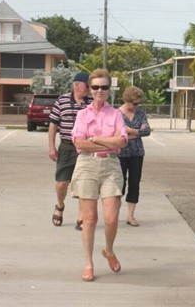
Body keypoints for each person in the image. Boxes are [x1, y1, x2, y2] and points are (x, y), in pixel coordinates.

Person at [71, 68, 128, 282]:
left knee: (112, 218)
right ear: (89, 88)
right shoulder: (82, 115)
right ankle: (88, 262)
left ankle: (109, 250)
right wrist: (107, 140)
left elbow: (122, 141)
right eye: (95, 87)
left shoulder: (116, 115)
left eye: (104, 87)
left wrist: (95, 139)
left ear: (109, 89)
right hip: (87, 165)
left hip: (111, 166)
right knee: (90, 219)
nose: (99, 91)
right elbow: (79, 142)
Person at [48, 71, 91, 230]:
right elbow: (53, 124)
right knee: (62, 183)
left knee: (83, 183)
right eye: (87, 85)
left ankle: (81, 216)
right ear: (76, 85)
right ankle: (60, 205)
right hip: (66, 146)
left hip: (86, 147)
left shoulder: (92, 101)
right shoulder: (62, 100)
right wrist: (52, 146)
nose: (90, 88)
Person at [118, 86, 151, 227]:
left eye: (139, 103)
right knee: (119, 184)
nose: (137, 106)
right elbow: (117, 132)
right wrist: (137, 132)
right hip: (120, 153)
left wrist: (131, 131)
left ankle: (131, 216)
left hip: (137, 153)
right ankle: (114, 213)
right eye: (135, 103)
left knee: (134, 183)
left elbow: (147, 131)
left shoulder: (140, 113)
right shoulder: (117, 114)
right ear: (127, 101)